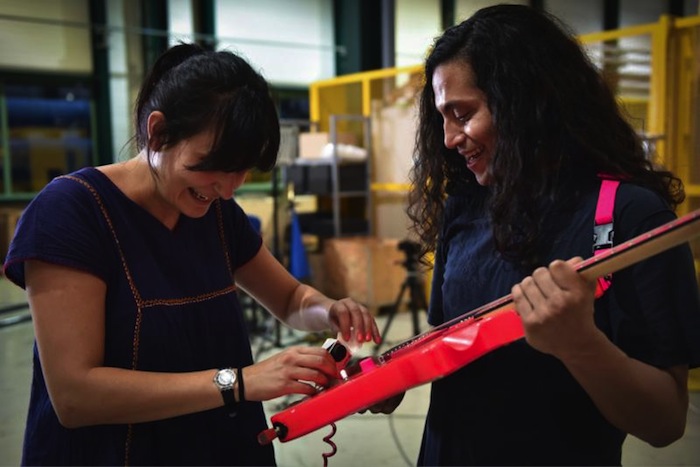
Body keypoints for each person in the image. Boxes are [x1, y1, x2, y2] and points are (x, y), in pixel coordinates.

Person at [2, 43, 381, 466]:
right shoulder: (71, 213)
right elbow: (74, 396)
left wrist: (329, 310)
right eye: (211, 165)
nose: (228, 188)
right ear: (158, 132)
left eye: (242, 170)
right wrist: (238, 383)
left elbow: (291, 300)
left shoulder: (217, 214)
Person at [384, 4, 700, 466]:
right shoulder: (465, 205)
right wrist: (390, 376)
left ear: (526, 102)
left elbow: (666, 421)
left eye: (463, 113)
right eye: (442, 118)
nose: (450, 138)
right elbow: (446, 336)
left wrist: (579, 343)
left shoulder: (630, 217)